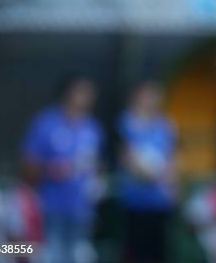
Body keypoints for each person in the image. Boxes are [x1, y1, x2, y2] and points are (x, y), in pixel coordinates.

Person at [21, 75, 103, 263]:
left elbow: (95, 164)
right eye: (82, 91)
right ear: (69, 93)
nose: (88, 97)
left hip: (83, 209)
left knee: (79, 255)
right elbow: (27, 165)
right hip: (50, 207)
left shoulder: (92, 128)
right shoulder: (46, 123)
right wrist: (51, 170)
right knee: (52, 255)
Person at [116, 81, 177, 263]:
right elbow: (125, 156)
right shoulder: (126, 122)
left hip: (160, 201)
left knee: (159, 251)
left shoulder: (164, 125)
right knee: (136, 251)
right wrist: (147, 173)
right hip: (135, 201)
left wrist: (171, 184)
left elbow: (171, 159)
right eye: (147, 95)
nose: (151, 100)